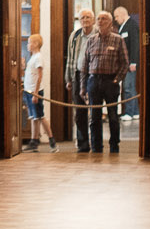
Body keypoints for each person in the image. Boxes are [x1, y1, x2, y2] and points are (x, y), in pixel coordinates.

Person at [83, 10, 131, 154]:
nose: (100, 21)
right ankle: (96, 147)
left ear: (110, 22)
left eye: (104, 19)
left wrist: (117, 79)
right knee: (94, 117)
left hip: (110, 81)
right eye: (98, 19)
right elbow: (85, 65)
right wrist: (83, 86)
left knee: (113, 116)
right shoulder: (91, 40)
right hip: (94, 81)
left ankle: (114, 145)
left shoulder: (118, 39)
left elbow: (125, 63)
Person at [63, 8, 95, 152]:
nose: (85, 20)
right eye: (82, 18)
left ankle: (96, 143)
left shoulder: (98, 34)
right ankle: (82, 144)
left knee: (95, 111)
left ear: (93, 20)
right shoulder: (74, 36)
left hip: (93, 75)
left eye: (88, 17)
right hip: (77, 75)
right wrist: (68, 78)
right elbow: (70, 58)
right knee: (80, 112)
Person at [21, 33, 56, 152]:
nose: (27, 45)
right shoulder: (33, 57)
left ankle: (52, 141)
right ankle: (34, 141)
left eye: (30, 42)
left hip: (35, 92)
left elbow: (39, 76)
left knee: (40, 116)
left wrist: (36, 93)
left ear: (35, 44)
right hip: (29, 90)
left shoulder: (38, 57)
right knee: (33, 117)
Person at [113, 6, 140, 120]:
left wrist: (133, 62)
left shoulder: (132, 25)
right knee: (128, 87)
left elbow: (135, 45)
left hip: (130, 63)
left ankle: (130, 112)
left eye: (116, 16)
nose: (115, 19)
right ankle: (134, 112)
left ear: (123, 14)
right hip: (124, 63)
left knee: (129, 88)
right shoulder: (122, 27)